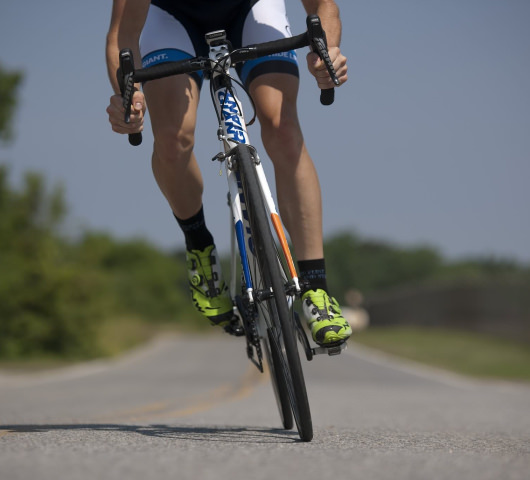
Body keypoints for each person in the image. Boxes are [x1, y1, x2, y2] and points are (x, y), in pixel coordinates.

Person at [106, 0, 352, 346]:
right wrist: (125, 97)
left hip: (252, 8)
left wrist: (326, 51)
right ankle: (200, 247)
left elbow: (323, 5)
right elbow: (123, 34)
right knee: (174, 138)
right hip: (172, 16)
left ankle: (316, 288)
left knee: (282, 127)